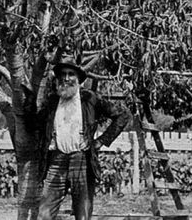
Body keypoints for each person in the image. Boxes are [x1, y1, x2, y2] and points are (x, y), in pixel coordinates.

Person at [34, 57, 130, 220]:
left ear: (78, 79)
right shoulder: (52, 100)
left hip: (82, 161)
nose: (66, 78)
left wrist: (101, 141)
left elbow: (123, 115)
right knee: (44, 214)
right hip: (56, 160)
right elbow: (35, 124)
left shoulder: (89, 98)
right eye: (62, 74)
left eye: (71, 74)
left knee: (83, 214)